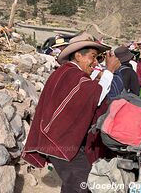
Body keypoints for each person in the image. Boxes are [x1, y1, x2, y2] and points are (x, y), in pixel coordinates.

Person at [22, 33, 120, 193]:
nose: (95, 62)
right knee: (82, 183)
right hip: (61, 141)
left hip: (61, 139)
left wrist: (99, 74)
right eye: (93, 57)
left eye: (97, 58)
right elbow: (93, 97)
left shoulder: (69, 74)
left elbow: (87, 93)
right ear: (78, 55)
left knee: (74, 184)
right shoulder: (71, 75)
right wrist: (109, 71)